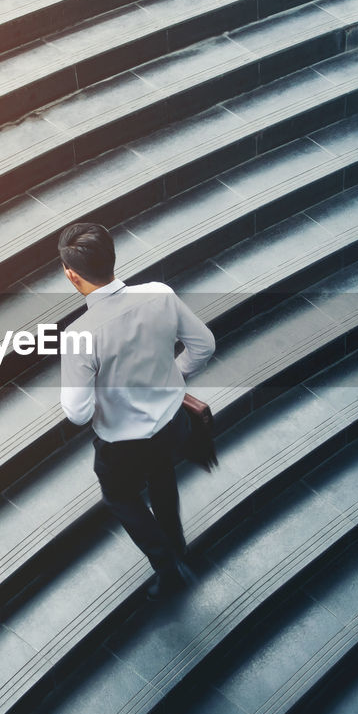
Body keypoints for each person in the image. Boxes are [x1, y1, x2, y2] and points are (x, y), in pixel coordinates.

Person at [57, 222, 216, 600]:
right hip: (172, 424)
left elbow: (77, 412)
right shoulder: (159, 295)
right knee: (162, 477)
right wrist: (173, 374)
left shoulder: (80, 336)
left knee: (119, 497)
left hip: (122, 444)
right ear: (112, 257)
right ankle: (178, 544)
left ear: (72, 276)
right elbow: (204, 346)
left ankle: (166, 565)